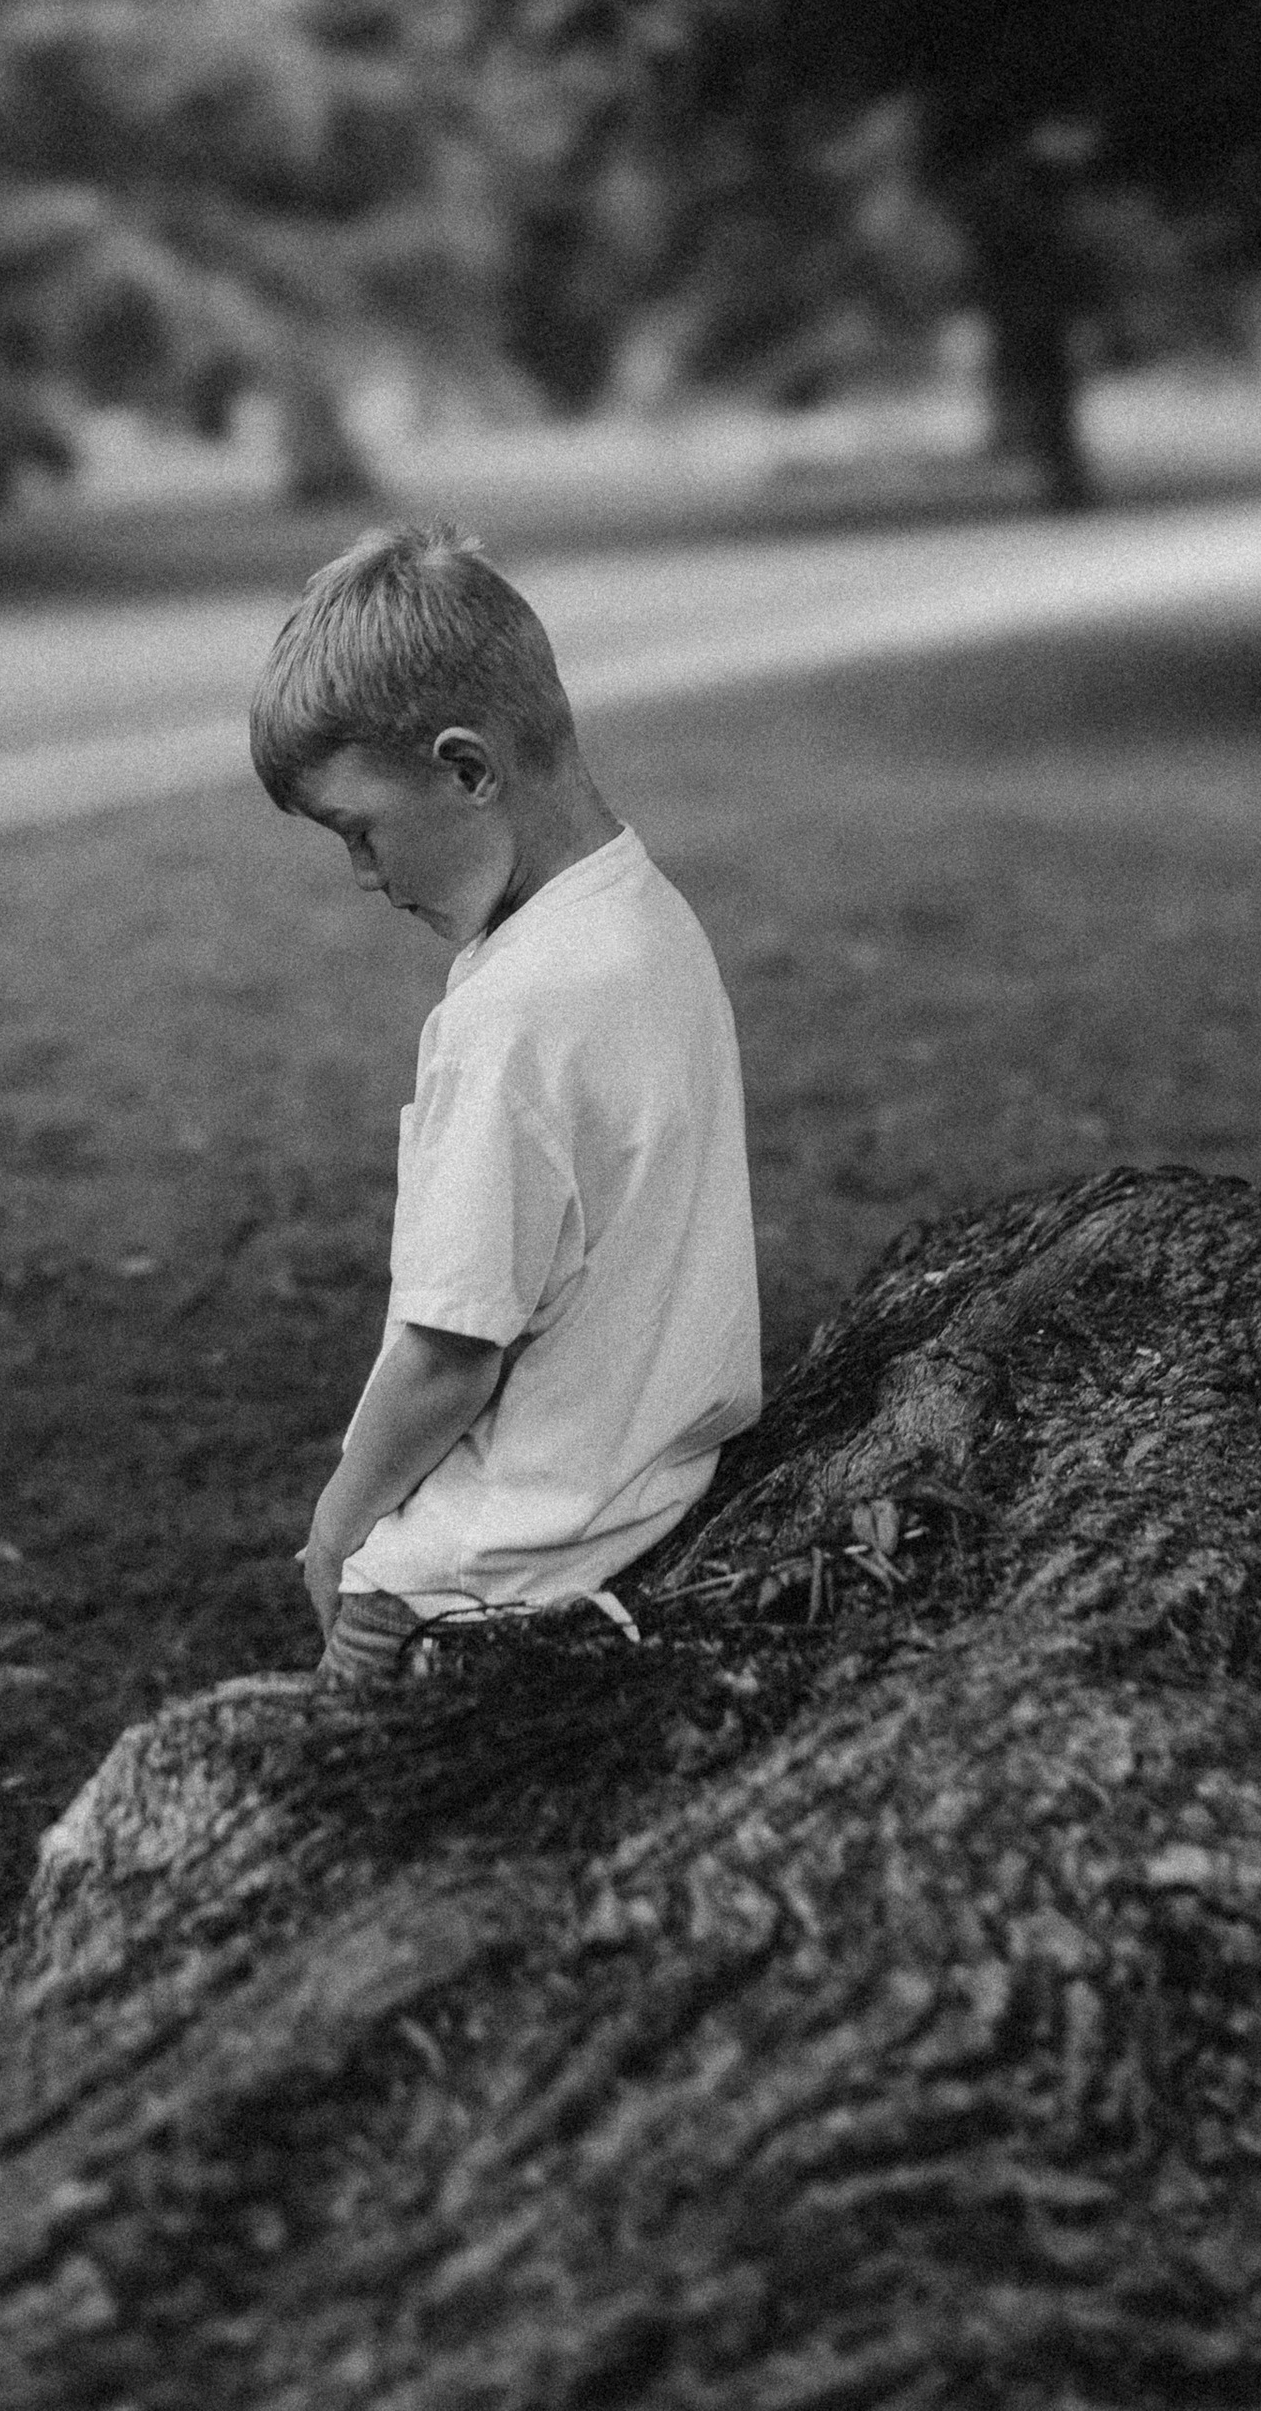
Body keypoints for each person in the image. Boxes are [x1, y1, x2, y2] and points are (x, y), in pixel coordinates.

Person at [249, 520, 761, 1683]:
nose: (366, 881)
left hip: (474, 1581)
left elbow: (448, 1355)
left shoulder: (511, 1017)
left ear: (468, 771)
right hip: (646, 1500)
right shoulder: (648, 922)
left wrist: (339, 1532)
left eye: (359, 832)